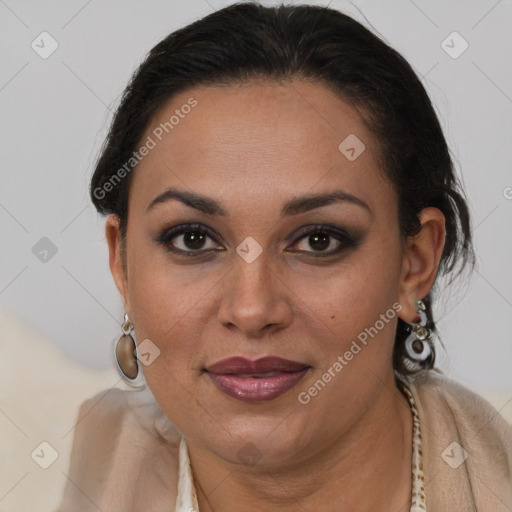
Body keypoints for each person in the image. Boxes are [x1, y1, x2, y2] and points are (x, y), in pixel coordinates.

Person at [56, 2, 512, 511]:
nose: (251, 311)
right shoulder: (55, 470)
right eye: (193, 239)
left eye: (319, 240)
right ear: (122, 264)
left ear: (414, 263)